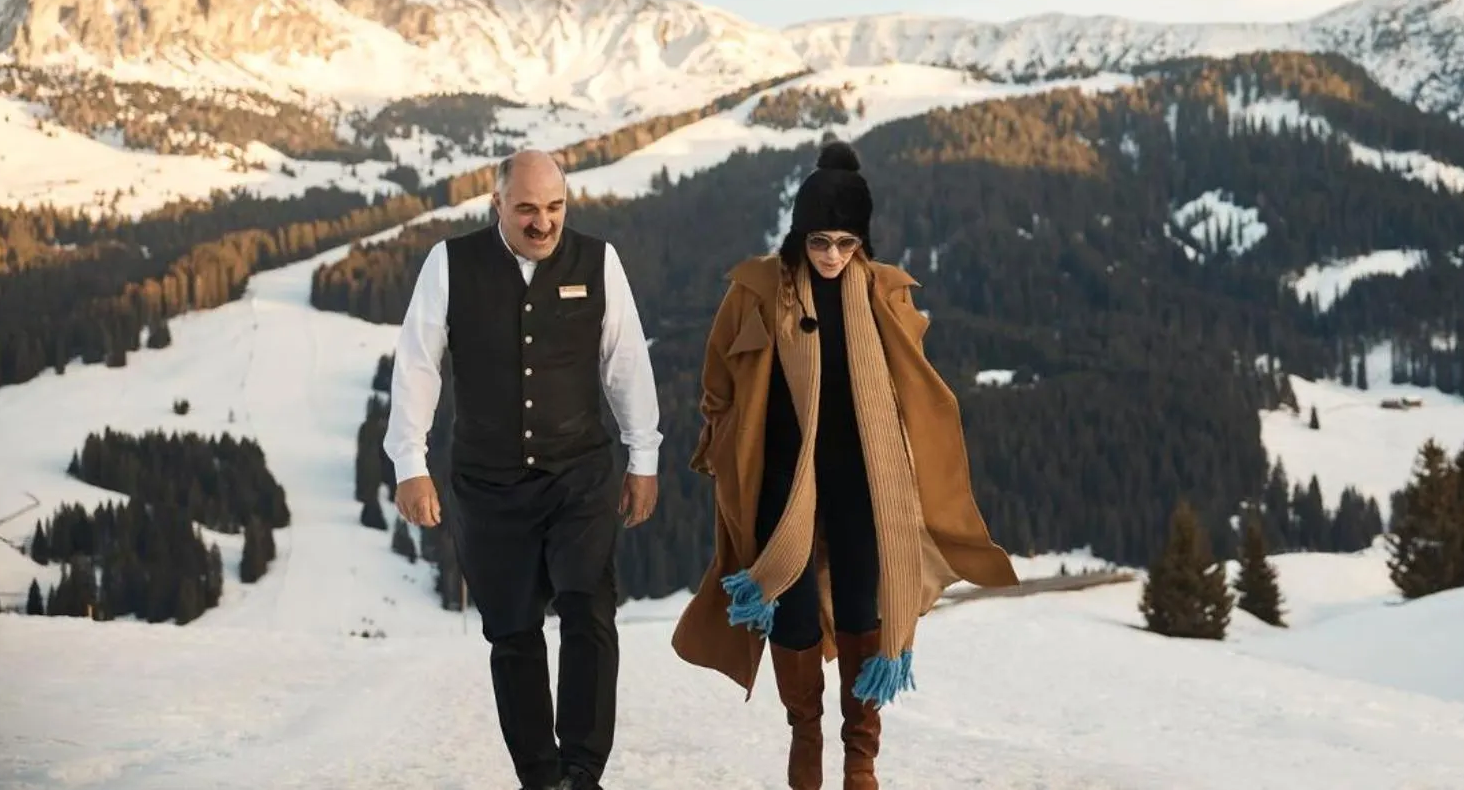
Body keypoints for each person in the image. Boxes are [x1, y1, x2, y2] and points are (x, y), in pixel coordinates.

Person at [672, 141, 1017, 790]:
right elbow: (717, 377)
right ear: (799, 234)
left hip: (865, 479)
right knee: (792, 610)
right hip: (784, 480)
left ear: (863, 240)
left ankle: (861, 753)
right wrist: (722, 437)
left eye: (845, 242)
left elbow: (909, 377)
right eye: (820, 240)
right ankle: (806, 732)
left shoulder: (883, 293)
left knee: (864, 608)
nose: (831, 254)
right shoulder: (755, 290)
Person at [387, 149, 661, 790]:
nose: (544, 224)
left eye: (556, 208)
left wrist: (641, 455)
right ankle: (540, 777)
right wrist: (410, 462)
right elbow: (417, 365)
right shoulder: (450, 264)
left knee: (588, 608)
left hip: (579, 475)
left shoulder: (599, 261)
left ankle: (582, 771)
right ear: (497, 206)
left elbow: (625, 362)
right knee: (511, 632)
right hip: (488, 484)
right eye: (528, 210)